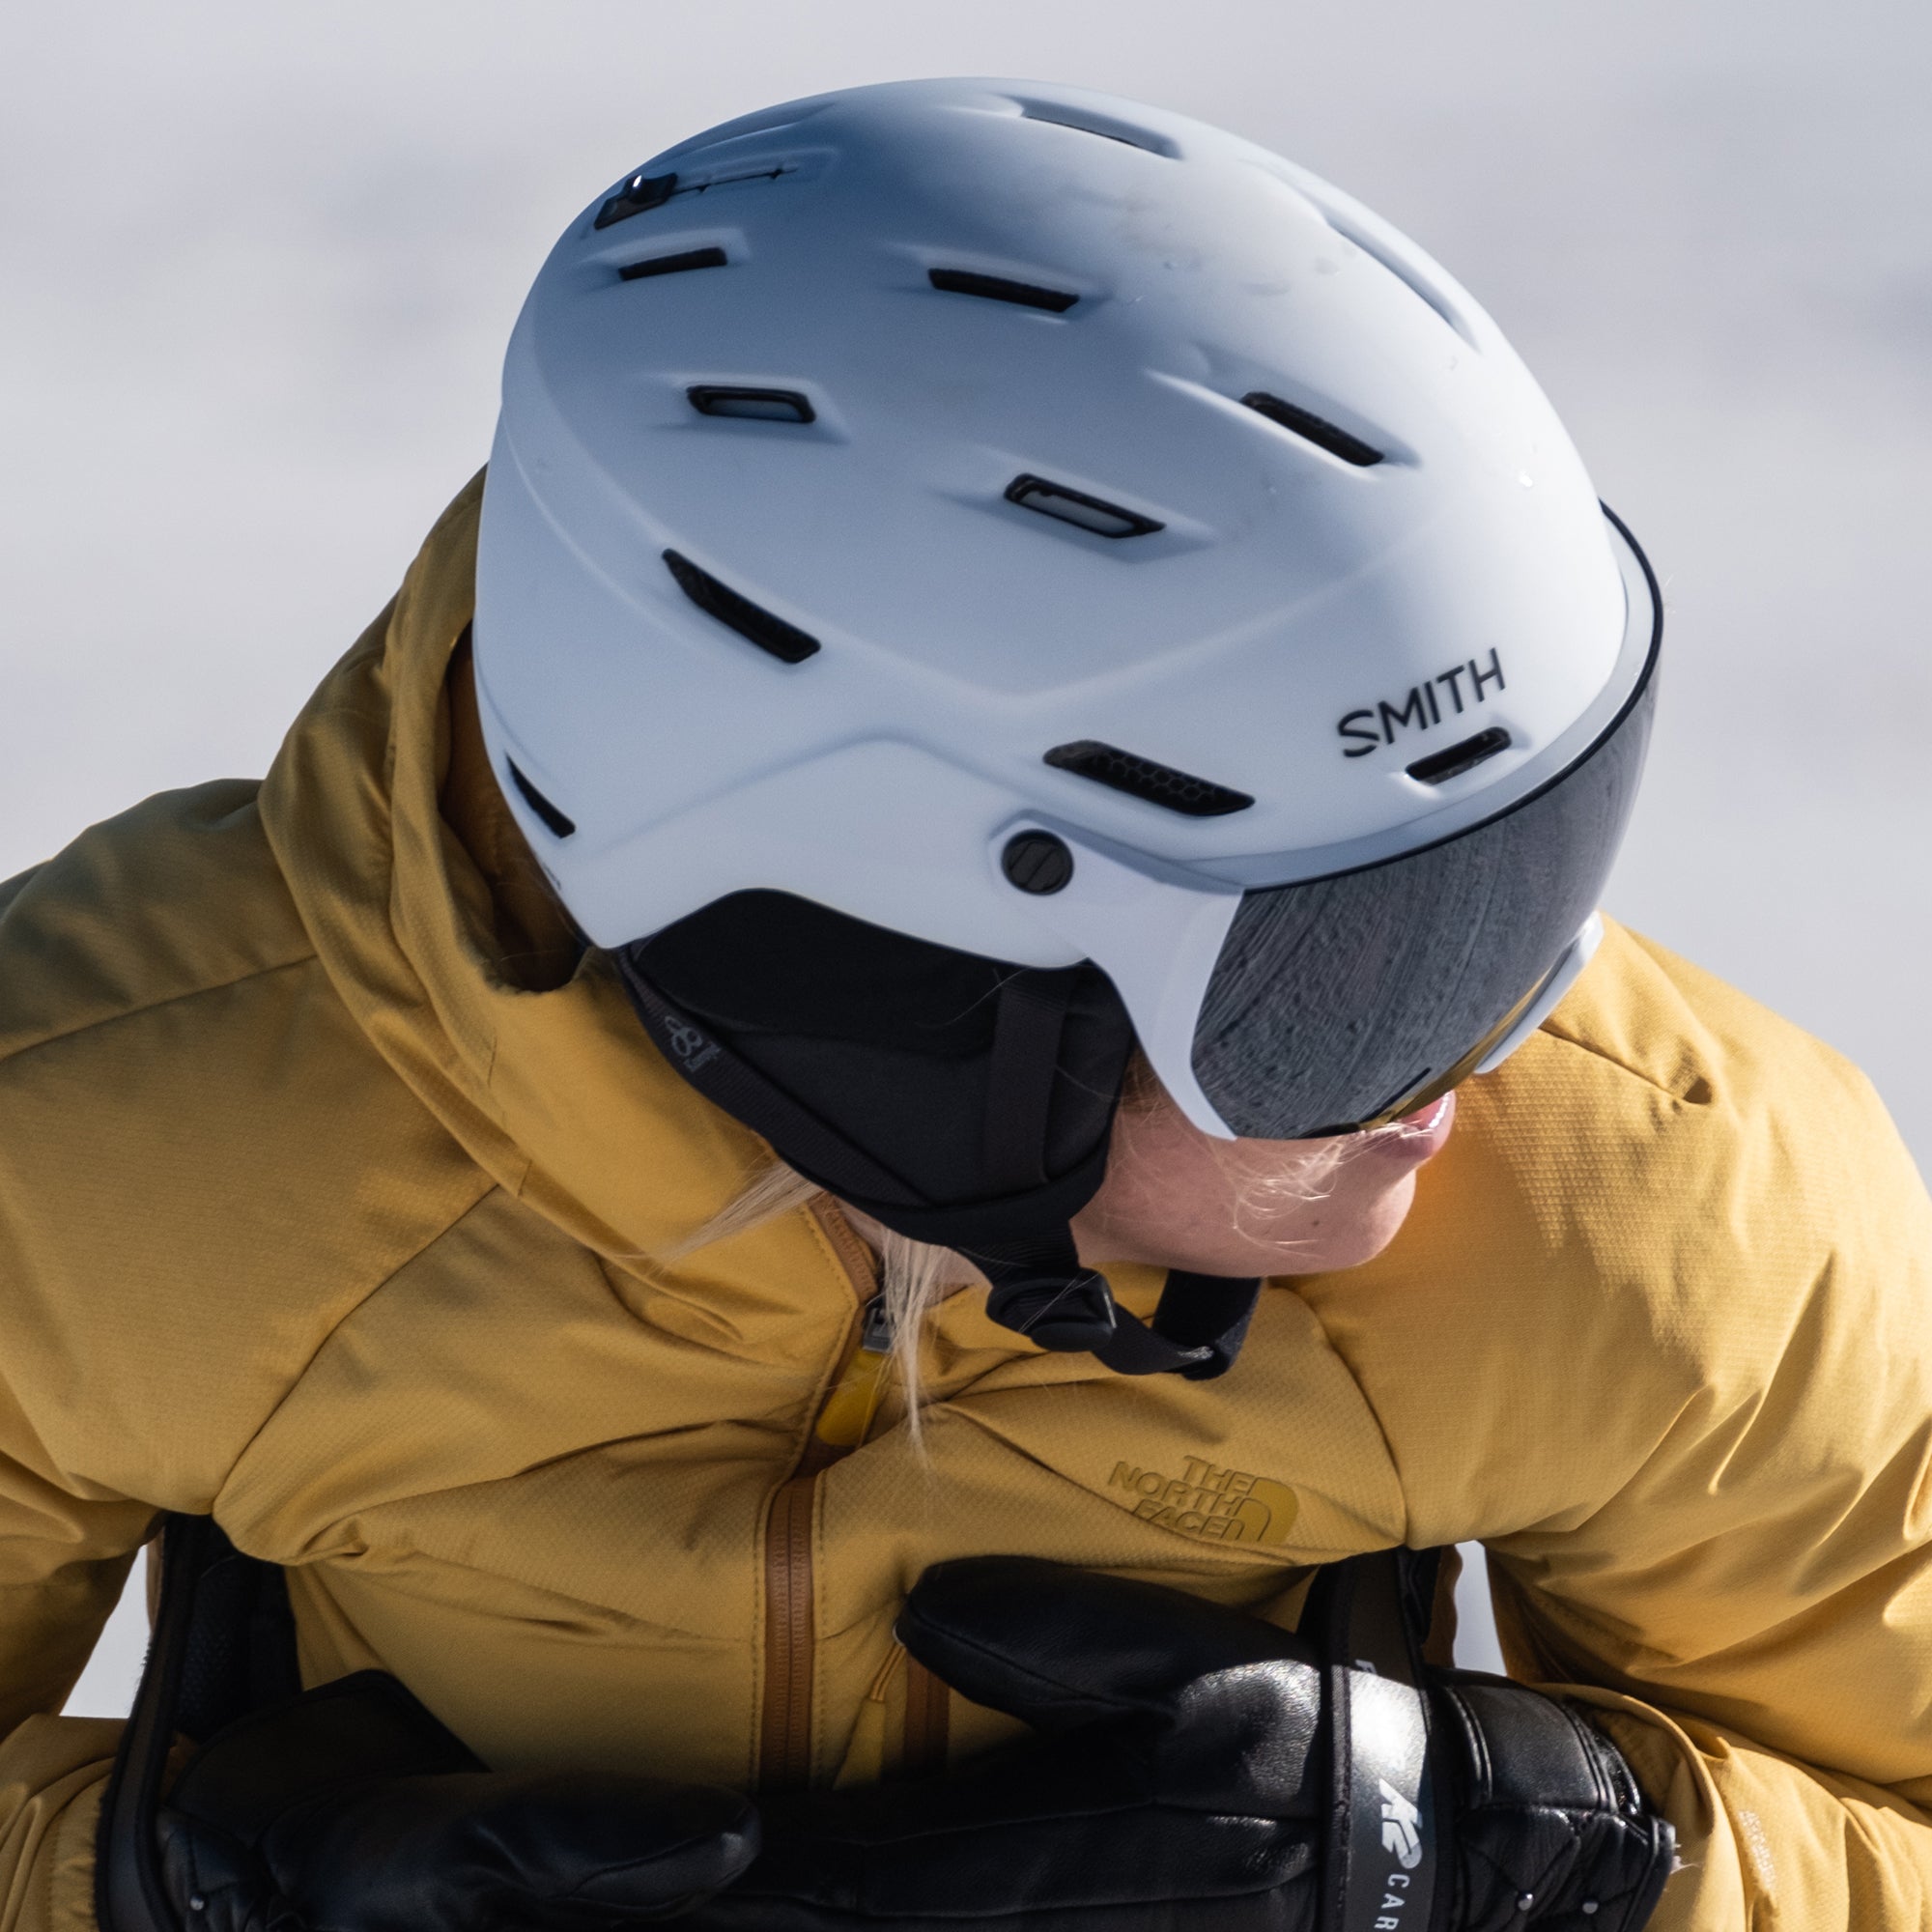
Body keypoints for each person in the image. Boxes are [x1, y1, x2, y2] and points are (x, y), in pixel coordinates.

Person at [1, 75, 1928, 1932]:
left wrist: (1555, 1859)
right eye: (1326, 987)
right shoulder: (97, 1143)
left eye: (1514, 883)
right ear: (874, 1003)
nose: (1475, 1060)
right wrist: (173, 1886)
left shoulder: (1661, 1206)